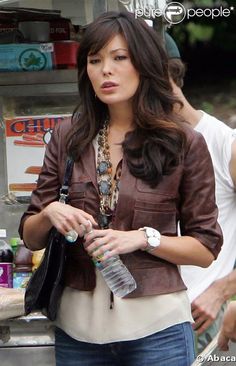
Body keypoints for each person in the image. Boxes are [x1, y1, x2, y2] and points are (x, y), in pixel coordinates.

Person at [19, 12, 222, 366]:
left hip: (158, 332)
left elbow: (205, 248)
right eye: (94, 60)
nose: (105, 70)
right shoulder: (68, 135)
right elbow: (31, 236)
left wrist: (143, 238)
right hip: (77, 333)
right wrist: (51, 212)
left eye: (119, 57)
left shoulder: (183, 142)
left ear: (143, 64)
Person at [166, 32, 236, 354]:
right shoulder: (134, 144)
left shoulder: (224, 143)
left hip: (201, 319)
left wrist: (222, 291)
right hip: (146, 324)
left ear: (169, 75)